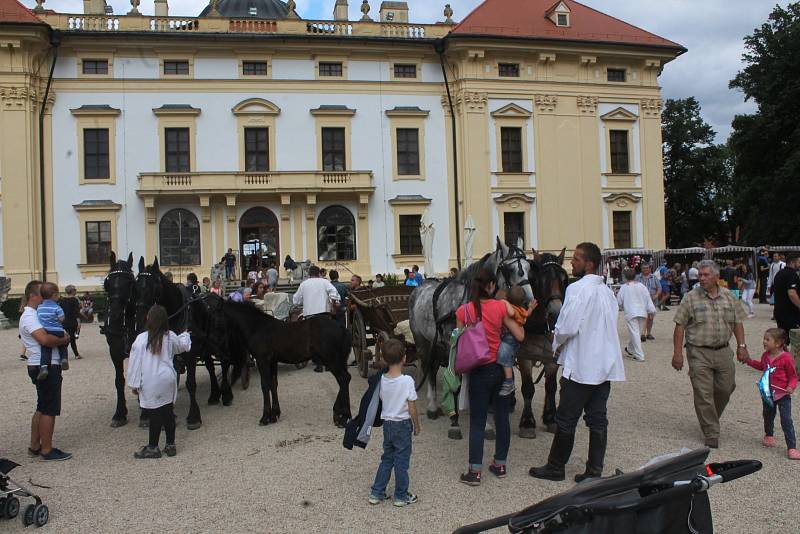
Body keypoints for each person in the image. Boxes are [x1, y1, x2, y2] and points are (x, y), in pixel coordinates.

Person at [530, 242, 625, 483]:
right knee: (597, 419)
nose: (572, 262)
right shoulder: (606, 292)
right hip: (604, 366)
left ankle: (556, 467)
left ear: (589, 264)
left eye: (577, 259)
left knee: (566, 418)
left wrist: (556, 339)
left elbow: (569, 325)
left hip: (582, 365)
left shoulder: (577, 289)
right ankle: (594, 470)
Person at [457, 269, 524, 486]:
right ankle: (500, 464)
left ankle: (474, 471)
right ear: (491, 286)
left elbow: (458, 340)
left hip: (478, 370)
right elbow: (520, 335)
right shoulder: (500, 307)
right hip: (500, 368)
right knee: (502, 418)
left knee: (477, 422)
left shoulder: (464, 311)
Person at [672, 260, 748, 449]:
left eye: (706, 275)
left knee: (726, 388)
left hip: (723, 350)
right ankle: (711, 431)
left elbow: (738, 322)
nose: (702, 278)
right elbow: (679, 325)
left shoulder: (729, 296)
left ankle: (710, 417)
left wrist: (742, 346)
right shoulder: (690, 297)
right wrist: (677, 354)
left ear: (716, 277)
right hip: (698, 352)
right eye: (700, 275)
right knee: (703, 393)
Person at [127, 305, 192, 459]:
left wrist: (134, 384)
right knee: (168, 413)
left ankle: (153, 447)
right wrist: (185, 335)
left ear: (148, 318)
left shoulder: (141, 339)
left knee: (154, 415)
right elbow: (183, 347)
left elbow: (135, 363)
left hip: (151, 380)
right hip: (168, 379)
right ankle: (170, 445)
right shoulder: (170, 336)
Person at [20, 280, 73, 461]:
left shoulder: (35, 313)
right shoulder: (30, 316)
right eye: (42, 293)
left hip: (41, 364)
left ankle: (35, 445)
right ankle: (47, 449)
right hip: (47, 365)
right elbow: (45, 340)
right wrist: (64, 340)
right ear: (33, 296)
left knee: (42, 406)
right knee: (50, 408)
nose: (46, 297)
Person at [368, 339, 421, 507]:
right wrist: (417, 425)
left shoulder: (381, 380)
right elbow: (412, 406)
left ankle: (377, 492)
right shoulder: (407, 381)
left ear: (384, 358)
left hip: (388, 425)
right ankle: (401, 495)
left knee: (387, 458)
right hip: (403, 424)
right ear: (404, 358)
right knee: (401, 461)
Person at [740, 328, 799, 459]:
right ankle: (769, 435)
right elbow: (762, 366)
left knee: (786, 420)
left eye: (767, 339)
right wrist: (749, 361)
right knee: (768, 415)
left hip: (783, 395)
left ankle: (792, 447)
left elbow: (793, 377)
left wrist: (791, 386)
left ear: (778, 343)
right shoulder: (766, 356)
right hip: (767, 393)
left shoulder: (786, 358)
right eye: (764, 338)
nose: (764, 341)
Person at [292, 266, 341, 372]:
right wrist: (334, 301)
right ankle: (328, 364)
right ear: (319, 273)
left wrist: (299, 303)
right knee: (326, 339)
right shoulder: (324, 282)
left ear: (309, 274)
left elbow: (296, 300)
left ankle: (319, 364)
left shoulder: (304, 284)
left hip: (310, 316)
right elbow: (334, 293)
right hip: (324, 313)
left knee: (314, 340)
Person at [497, 286, 537, 396]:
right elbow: (527, 314)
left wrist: (504, 302)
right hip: (514, 341)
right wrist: (531, 308)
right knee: (507, 360)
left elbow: (510, 313)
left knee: (505, 361)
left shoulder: (512, 310)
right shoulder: (521, 310)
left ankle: (509, 382)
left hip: (509, 339)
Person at [617, 268, 656, 361]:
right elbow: (648, 298)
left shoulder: (624, 287)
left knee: (635, 333)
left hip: (631, 313)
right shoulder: (642, 286)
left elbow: (618, 301)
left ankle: (639, 355)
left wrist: (618, 307)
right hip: (642, 312)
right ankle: (630, 349)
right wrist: (652, 310)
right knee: (636, 333)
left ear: (625, 277)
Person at [772, 253, 800, 368]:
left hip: (779, 310)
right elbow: (792, 293)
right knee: (796, 340)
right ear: (793, 262)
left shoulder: (779, 273)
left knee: (782, 339)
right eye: (799, 262)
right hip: (791, 312)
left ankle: (781, 363)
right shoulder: (792, 274)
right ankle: (794, 367)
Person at [36, 282, 69, 380]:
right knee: (62, 344)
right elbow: (62, 318)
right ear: (54, 295)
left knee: (45, 349)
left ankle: (44, 367)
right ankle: (63, 358)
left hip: (46, 331)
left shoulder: (39, 307)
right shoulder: (57, 307)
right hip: (57, 330)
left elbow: (38, 317)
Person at [635, 263, 660, 341]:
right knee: (641, 317)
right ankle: (642, 333)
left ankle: (648, 333)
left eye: (646, 268)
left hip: (652, 300)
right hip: (640, 301)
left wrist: (656, 295)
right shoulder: (637, 278)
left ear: (650, 269)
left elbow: (659, 288)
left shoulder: (654, 277)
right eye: (643, 268)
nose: (645, 269)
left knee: (650, 317)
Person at [59, 285, 82, 360]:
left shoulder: (62, 300)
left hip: (64, 322)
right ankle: (75, 354)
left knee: (66, 338)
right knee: (72, 339)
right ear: (72, 291)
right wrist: (78, 322)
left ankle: (63, 355)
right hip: (72, 322)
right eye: (75, 290)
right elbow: (76, 312)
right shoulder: (74, 300)